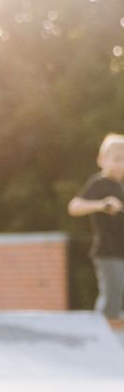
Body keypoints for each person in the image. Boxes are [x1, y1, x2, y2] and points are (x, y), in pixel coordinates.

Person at [68, 133, 124, 332]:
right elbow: (74, 206)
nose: (121, 164)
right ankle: (99, 334)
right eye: (117, 159)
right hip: (108, 252)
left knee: (119, 300)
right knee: (112, 297)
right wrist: (102, 205)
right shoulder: (99, 184)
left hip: (121, 252)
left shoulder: (121, 187)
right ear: (102, 160)